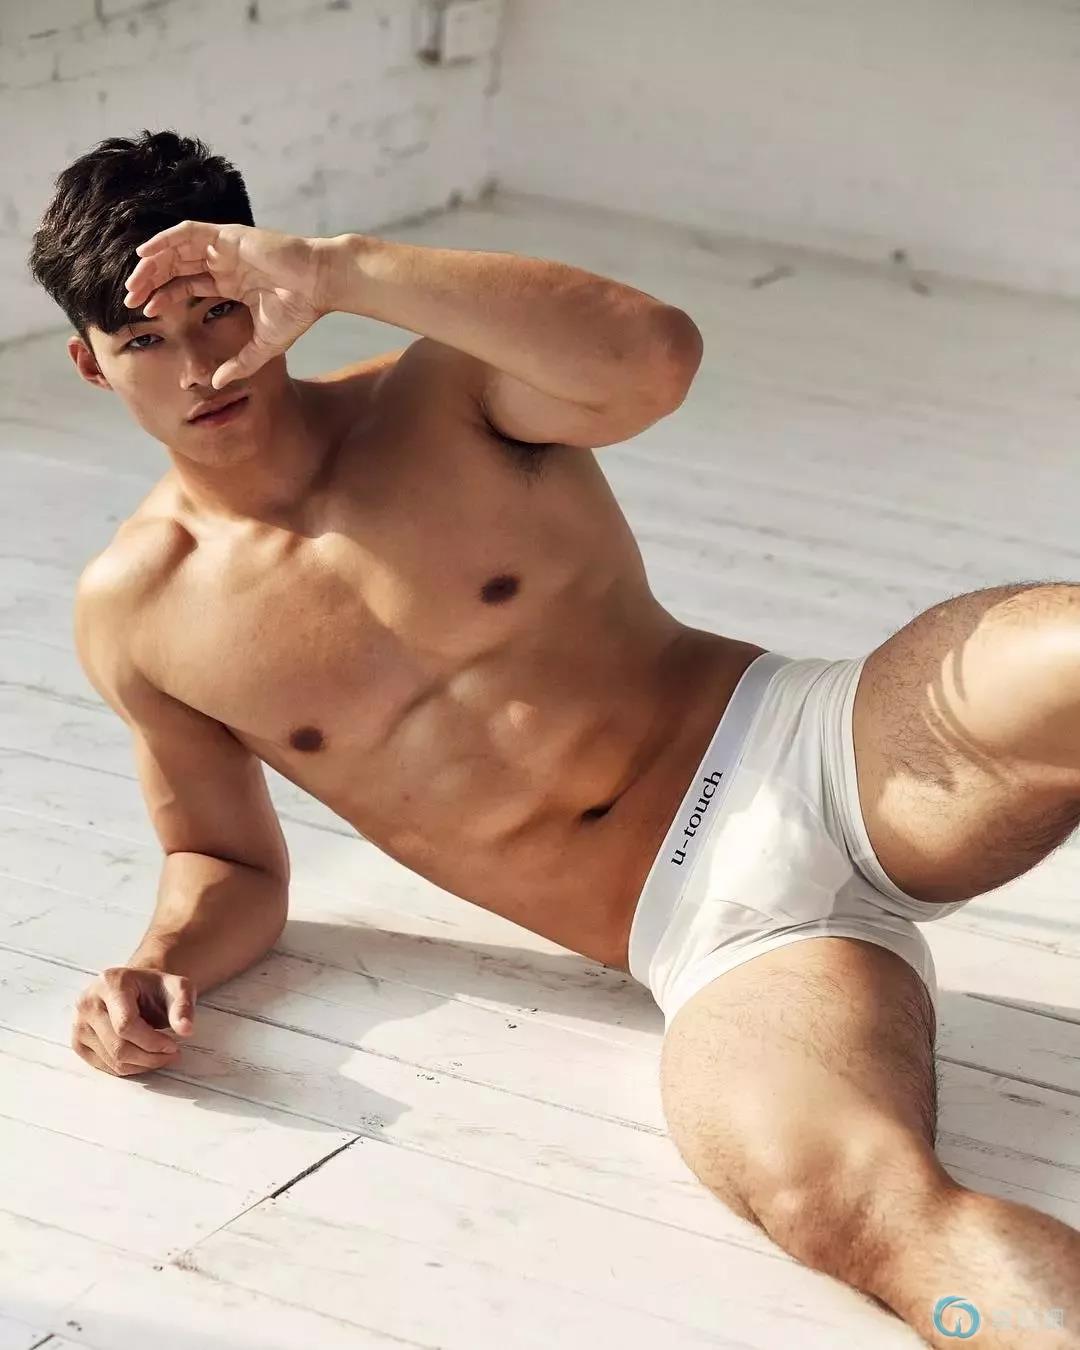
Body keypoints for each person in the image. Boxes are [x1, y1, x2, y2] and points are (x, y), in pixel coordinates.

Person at [28, 130, 1080, 1345]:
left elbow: (656, 358)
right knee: (852, 1207)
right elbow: (226, 861)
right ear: (91, 365)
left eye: (219, 312)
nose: (203, 366)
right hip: (717, 941)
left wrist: (338, 267)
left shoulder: (443, 394)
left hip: (818, 747)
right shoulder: (139, 612)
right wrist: (162, 959)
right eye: (144, 341)